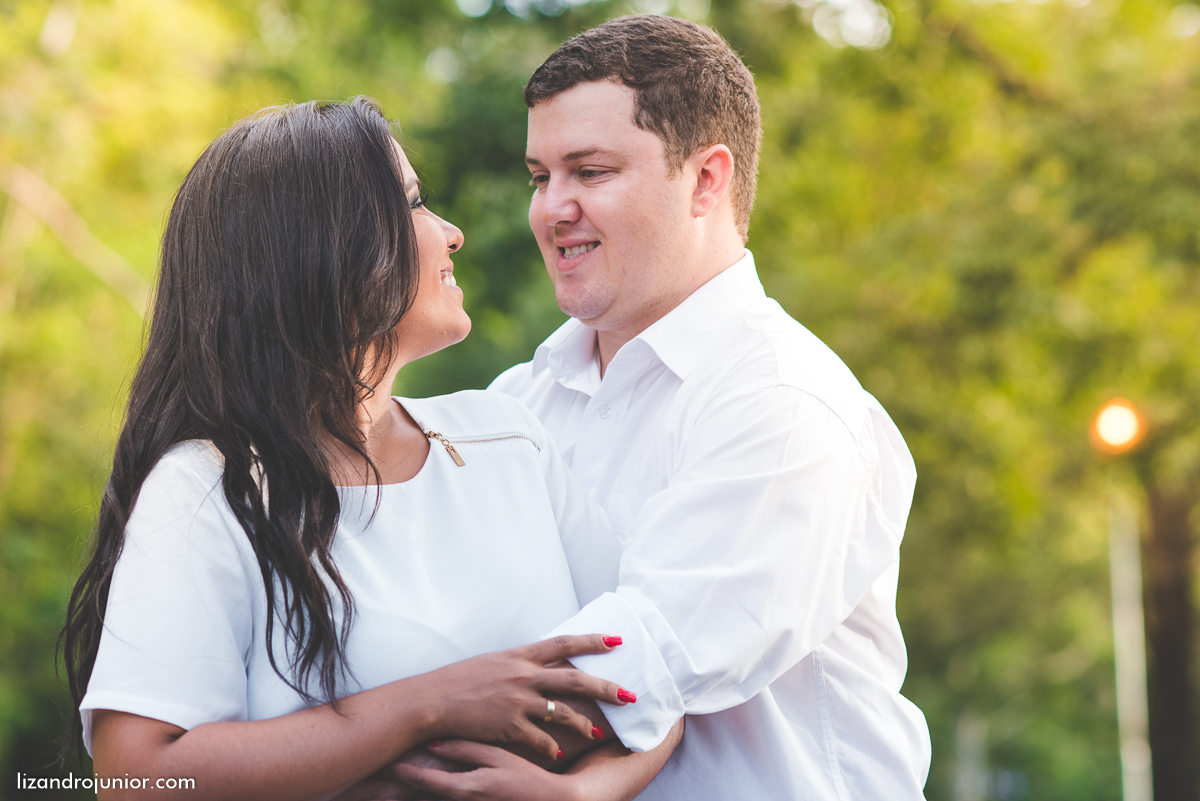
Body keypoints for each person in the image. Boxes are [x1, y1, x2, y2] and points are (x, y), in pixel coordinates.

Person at [59, 97, 682, 801]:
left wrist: (581, 794)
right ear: (322, 248)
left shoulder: (509, 438)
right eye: (413, 204)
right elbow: (136, 774)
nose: (451, 234)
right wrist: (431, 703)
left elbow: (657, 683)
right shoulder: (207, 490)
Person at [398, 14, 932, 801]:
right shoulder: (517, 403)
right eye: (541, 177)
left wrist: (339, 748)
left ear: (707, 180)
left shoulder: (784, 402)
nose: (551, 209)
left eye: (590, 172)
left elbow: (625, 672)